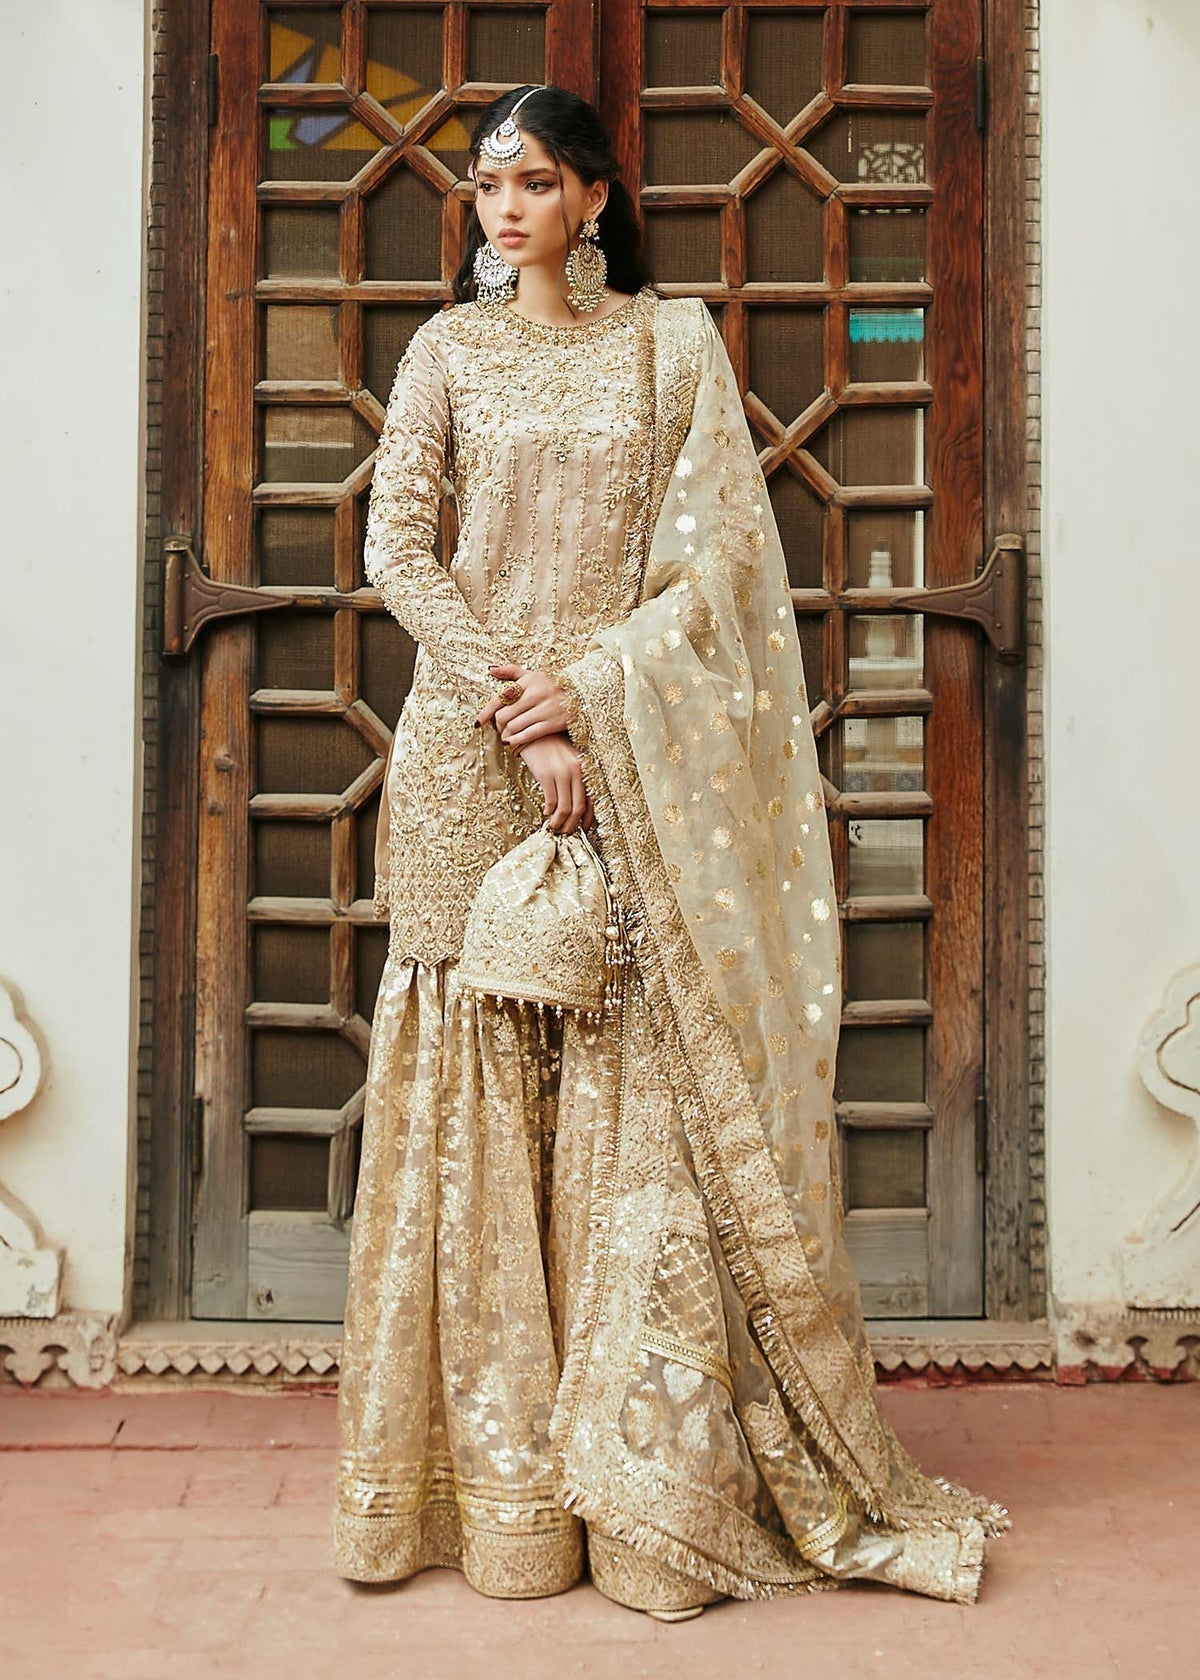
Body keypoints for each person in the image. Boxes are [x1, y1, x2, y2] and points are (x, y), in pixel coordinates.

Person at [331, 83, 1008, 1620]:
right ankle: (499, 1495)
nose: (506, 209)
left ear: (593, 199)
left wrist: (592, 693)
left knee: (634, 1086)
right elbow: (397, 550)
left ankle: (638, 1495)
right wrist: (524, 709)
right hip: (473, 761)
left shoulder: (669, 347)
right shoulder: (446, 352)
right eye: (486, 185)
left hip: (631, 763)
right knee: (478, 1094)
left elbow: (717, 577)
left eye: (533, 182)